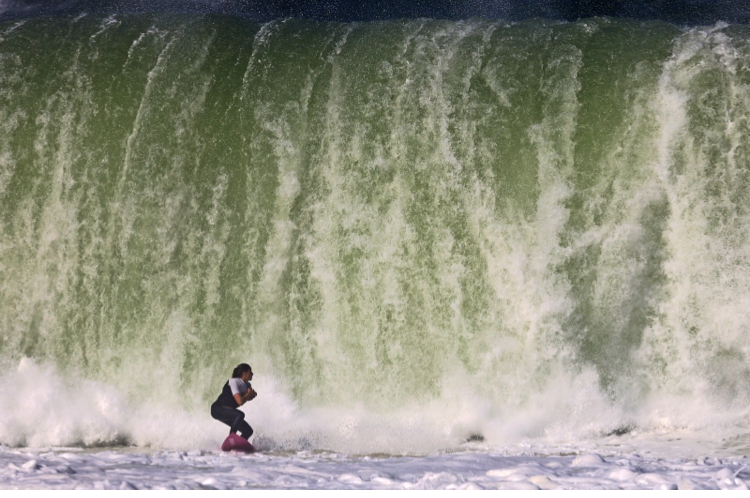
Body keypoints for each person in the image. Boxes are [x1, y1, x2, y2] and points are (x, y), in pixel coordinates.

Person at [211, 363, 257, 442]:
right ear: (244, 374)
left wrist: (251, 395)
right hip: (218, 409)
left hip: (227, 411)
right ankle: (231, 440)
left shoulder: (247, 385)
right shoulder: (233, 382)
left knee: (248, 431)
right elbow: (240, 401)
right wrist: (249, 394)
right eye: (250, 371)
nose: (252, 374)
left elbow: (246, 398)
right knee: (240, 415)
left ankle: (236, 446)